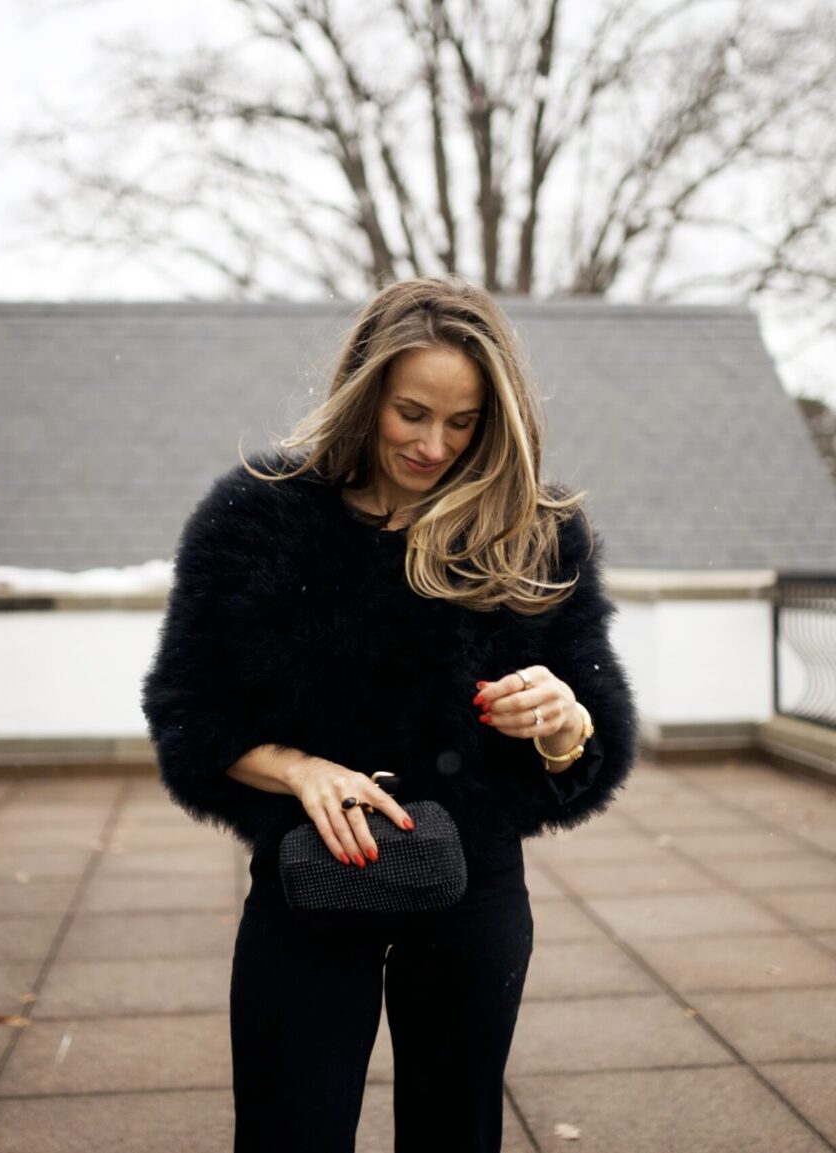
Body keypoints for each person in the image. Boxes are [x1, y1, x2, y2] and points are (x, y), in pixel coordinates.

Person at [140, 275, 639, 1153]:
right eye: (412, 412)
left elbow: (592, 731)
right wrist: (298, 768)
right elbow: (189, 710)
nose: (435, 444)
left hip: (473, 886)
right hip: (310, 872)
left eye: (465, 421)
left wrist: (565, 723)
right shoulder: (258, 516)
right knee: (289, 1130)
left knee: (455, 1133)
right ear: (365, 391)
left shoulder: (537, 532)